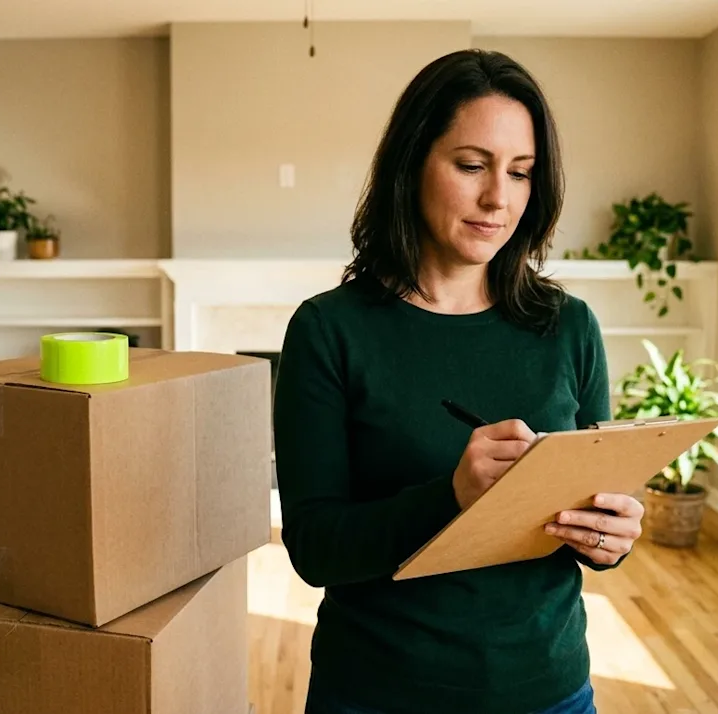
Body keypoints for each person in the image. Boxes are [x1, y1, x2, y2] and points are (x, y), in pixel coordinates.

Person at [271, 48, 647, 714]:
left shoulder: (570, 328)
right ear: (413, 162)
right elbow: (313, 549)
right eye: (471, 165)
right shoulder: (329, 331)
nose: (498, 198)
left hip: (548, 689)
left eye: (521, 172)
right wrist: (450, 496)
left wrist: (609, 539)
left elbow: (594, 514)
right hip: (377, 692)